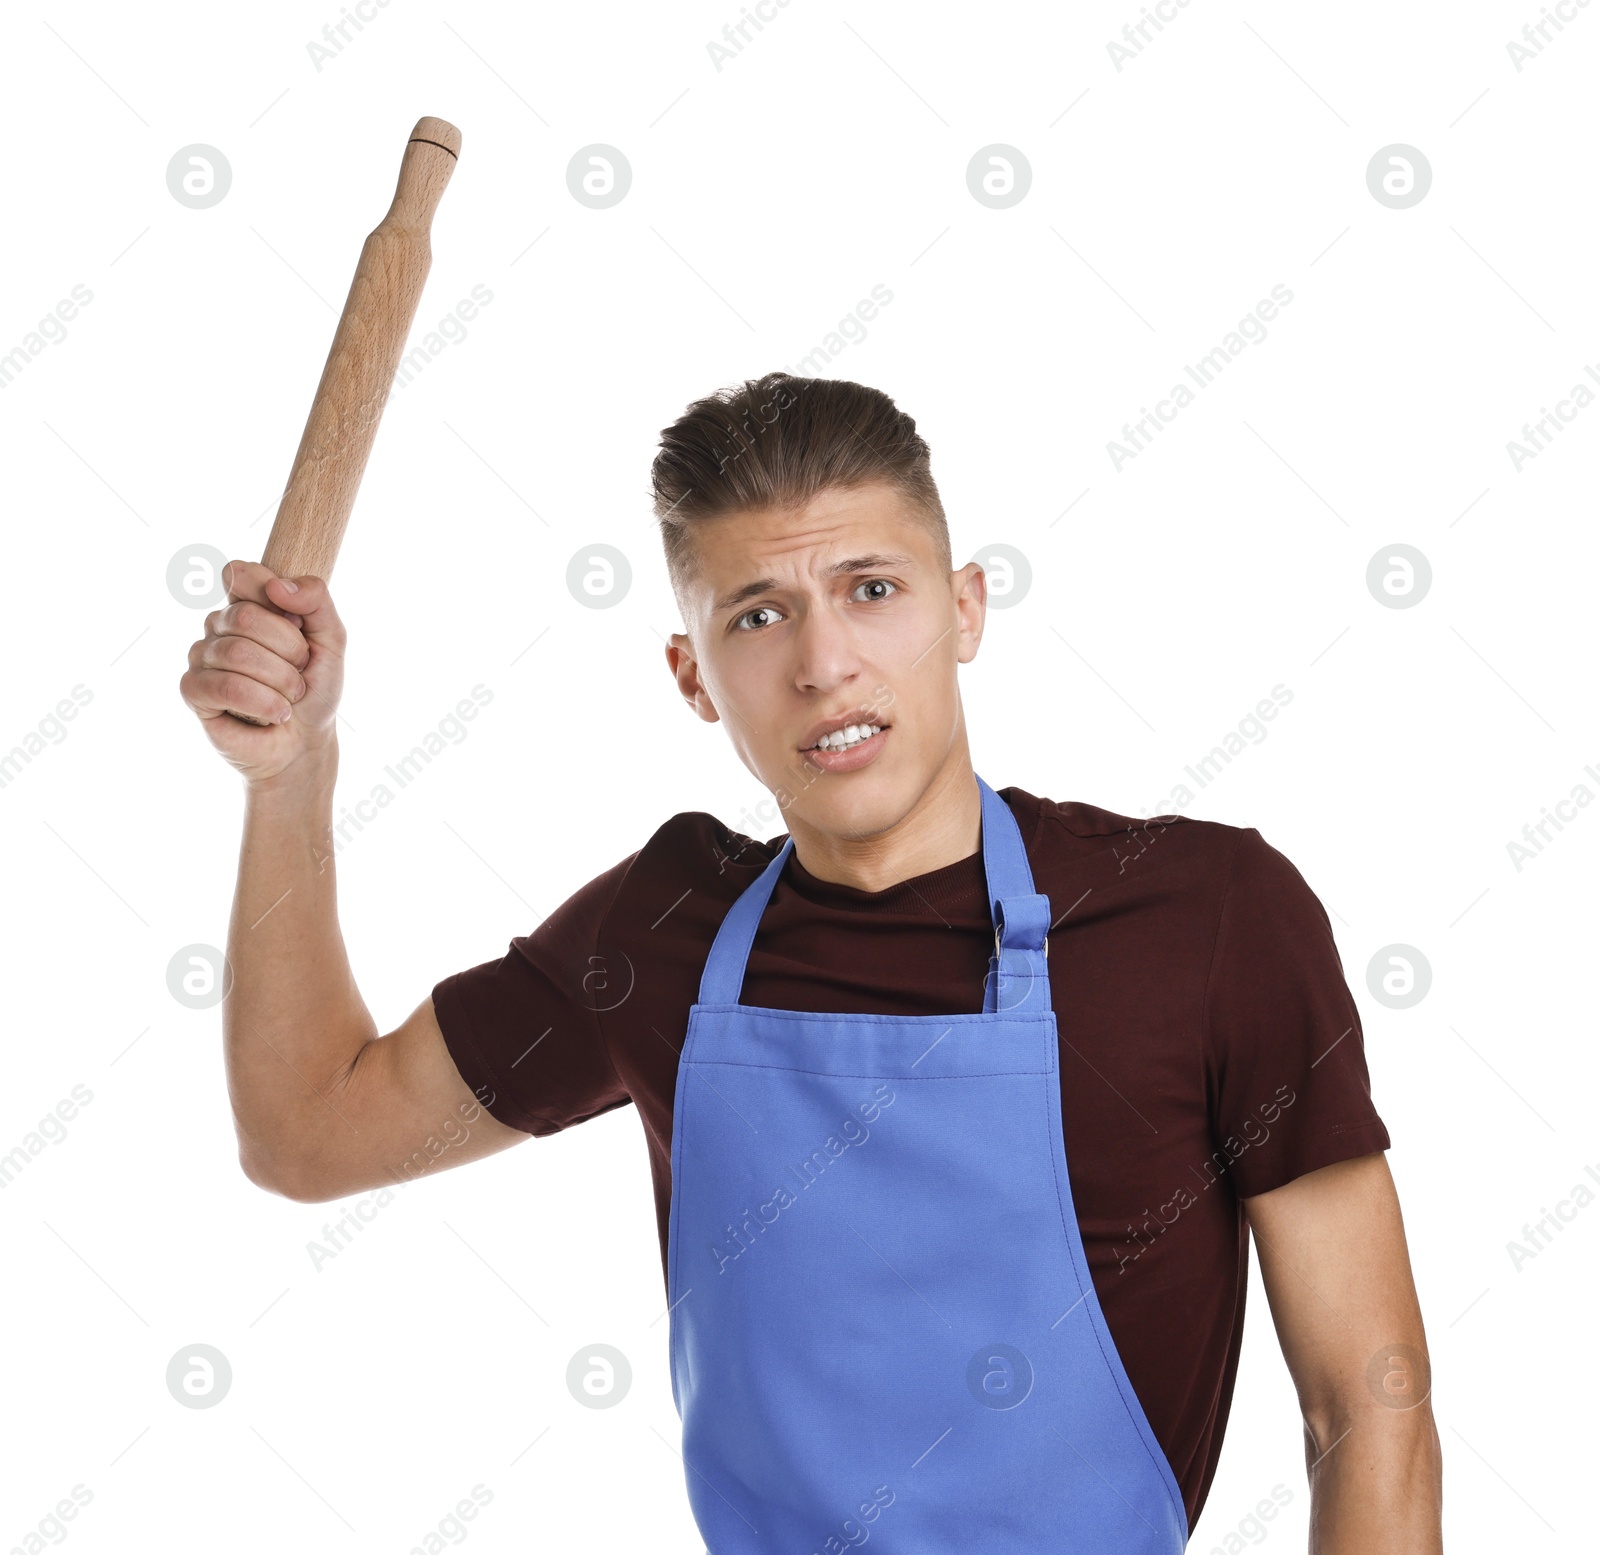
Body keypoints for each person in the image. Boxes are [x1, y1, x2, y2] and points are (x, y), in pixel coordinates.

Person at [179, 372, 1443, 1551]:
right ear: (692, 676)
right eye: (759, 613)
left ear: (966, 608)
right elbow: (307, 1131)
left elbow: (1364, 1404)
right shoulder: (658, 933)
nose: (824, 660)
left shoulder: (1206, 917)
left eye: (872, 589)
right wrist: (291, 775)